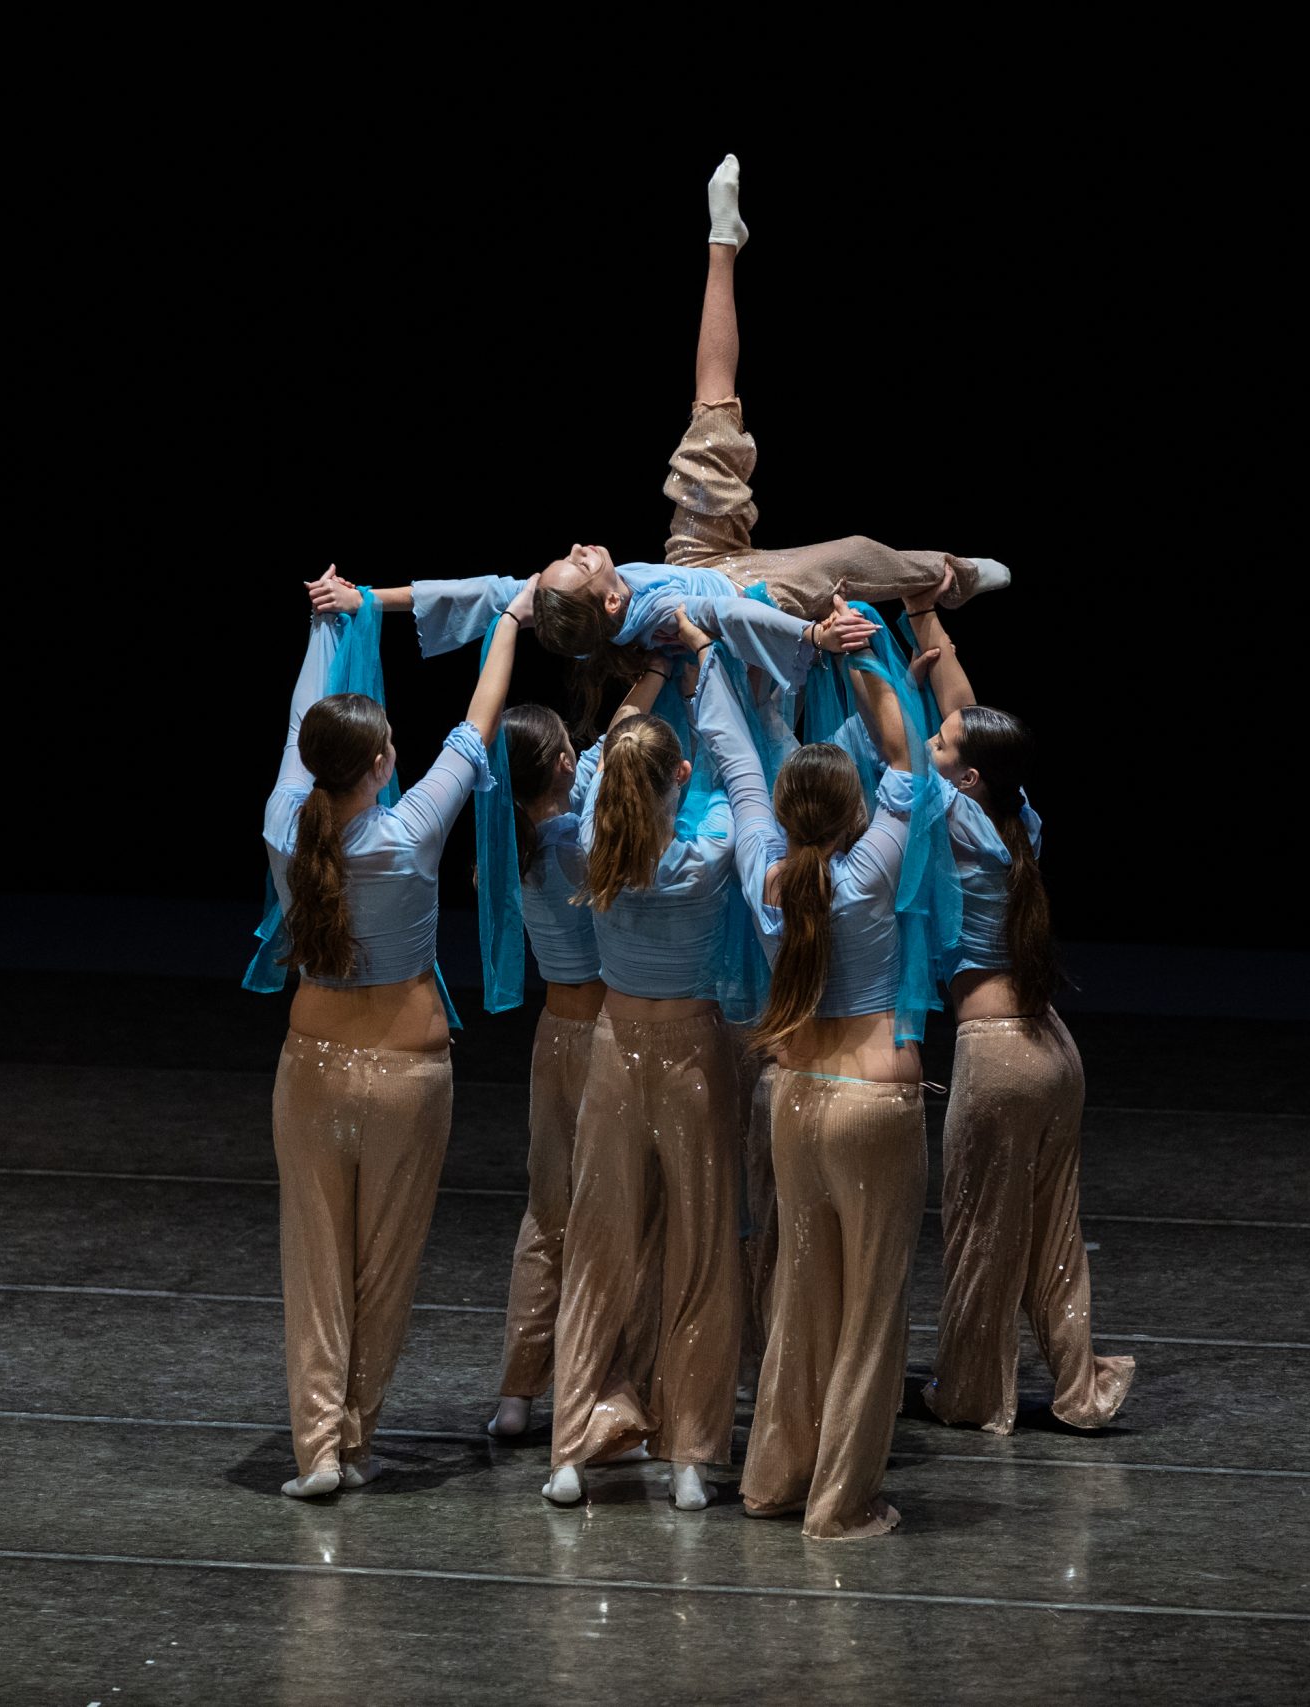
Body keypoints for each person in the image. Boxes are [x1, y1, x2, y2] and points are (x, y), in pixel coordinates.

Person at [307, 154, 1012, 733]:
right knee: (855, 553)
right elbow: (731, 613)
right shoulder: (665, 618)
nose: (580, 547)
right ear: (613, 605)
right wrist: (810, 637)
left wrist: (368, 597)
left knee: (712, 409)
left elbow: (484, 593)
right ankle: (944, 576)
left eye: (569, 556)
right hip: (744, 588)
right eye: (579, 562)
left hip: (694, 555)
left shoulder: (573, 604)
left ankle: (722, 241)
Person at [260, 571, 520, 1497]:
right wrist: (509, 621)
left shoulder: (284, 827)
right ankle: (355, 1437)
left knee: (315, 1260)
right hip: (408, 1074)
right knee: (384, 1263)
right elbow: (477, 724)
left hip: (313, 1068)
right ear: (381, 763)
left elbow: (302, 720)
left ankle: (319, 1449)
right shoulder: (410, 830)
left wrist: (325, 629)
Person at [687, 608, 928, 1540]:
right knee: (869, 1309)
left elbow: (738, 764)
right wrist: (864, 649)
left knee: (798, 1291)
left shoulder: (766, 874)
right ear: (854, 809)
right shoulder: (869, 870)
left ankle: (778, 1476)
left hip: (795, 1098)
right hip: (873, 1103)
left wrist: (707, 660)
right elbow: (905, 757)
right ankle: (840, 1501)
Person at [906, 597, 1136, 1434]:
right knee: (1051, 1230)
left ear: (965, 777)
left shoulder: (956, 819)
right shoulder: (1015, 817)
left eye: (943, 748)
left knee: (979, 1231)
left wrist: (882, 672)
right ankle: (1078, 1387)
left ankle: (969, 1391)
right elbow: (965, 715)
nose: (933, 744)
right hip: (1053, 1049)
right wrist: (926, 617)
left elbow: (901, 745)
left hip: (999, 1057)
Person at [540, 636, 749, 1513]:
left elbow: (599, 759)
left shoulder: (593, 848)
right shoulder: (706, 858)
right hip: (694, 1056)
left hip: (614, 1053)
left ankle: (569, 1449)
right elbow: (742, 772)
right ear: (681, 776)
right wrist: (707, 672)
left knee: (598, 1248)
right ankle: (690, 1453)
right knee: (701, 1252)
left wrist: (653, 676)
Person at [484, 679, 670, 1441]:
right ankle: (608, 1383)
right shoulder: (575, 843)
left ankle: (518, 1391)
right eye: (573, 750)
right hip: (601, 1040)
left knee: (548, 1211)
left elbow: (601, 745)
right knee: (615, 1214)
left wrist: (647, 679)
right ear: (563, 764)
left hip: (552, 1036)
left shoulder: (514, 844)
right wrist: (658, 674)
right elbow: (615, 750)